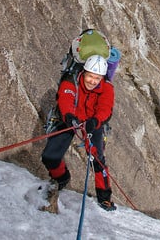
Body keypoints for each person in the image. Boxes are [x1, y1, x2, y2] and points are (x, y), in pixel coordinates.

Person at [41, 54, 116, 211]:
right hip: (69, 119)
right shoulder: (72, 80)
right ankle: (61, 177)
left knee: (98, 160)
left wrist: (95, 121)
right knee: (50, 156)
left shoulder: (107, 88)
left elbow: (105, 108)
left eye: (97, 78)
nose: (92, 81)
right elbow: (66, 98)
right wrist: (68, 116)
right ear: (84, 72)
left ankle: (104, 196)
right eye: (90, 76)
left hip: (92, 123)